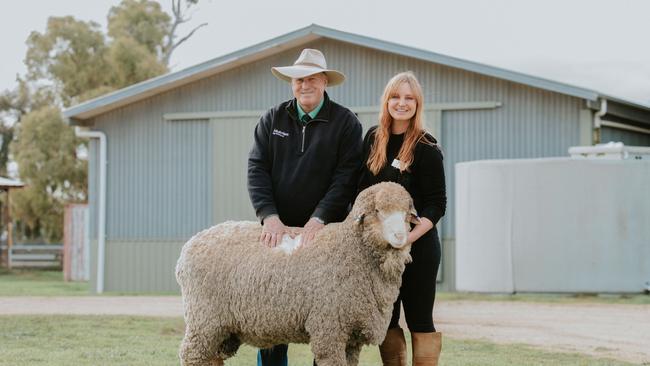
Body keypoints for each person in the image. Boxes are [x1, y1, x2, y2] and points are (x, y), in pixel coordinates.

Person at [247, 48, 363, 366]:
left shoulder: (346, 123)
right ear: (291, 83)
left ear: (324, 81)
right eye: (298, 79)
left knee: (327, 318)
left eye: (311, 78)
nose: (304, 85)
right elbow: (257, 170)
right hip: (279, 232)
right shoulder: (272, 119)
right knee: (272, 315)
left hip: (326, 235)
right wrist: (269, 218)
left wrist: (319, 219)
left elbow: (346, 177)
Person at [358, 71, 447, 366]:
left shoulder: (427, 147)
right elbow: (360, 192)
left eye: (409, 98)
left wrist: (406, 238)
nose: (402, 103)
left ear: (417, 103)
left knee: (420, 319)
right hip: (381, 252)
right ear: (387, 101)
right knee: (388, 320)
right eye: (396, 97)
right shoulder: (373, 139)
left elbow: (437, 204)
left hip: (416, 248)